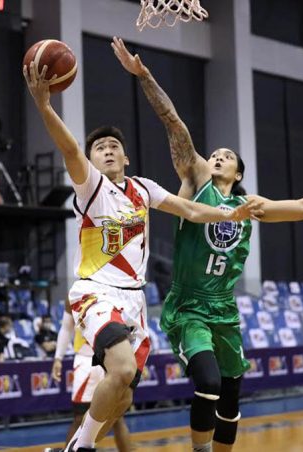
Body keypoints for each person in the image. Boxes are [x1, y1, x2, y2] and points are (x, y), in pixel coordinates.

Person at [111, 36, 303, 452]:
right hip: (189, 305)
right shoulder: (195, 180)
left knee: (230, 395)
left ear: (239, 171)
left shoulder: (250, 204)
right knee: (207, 382)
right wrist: (145, 76)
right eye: (215, 153)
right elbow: (174, 122)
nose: (217, 155)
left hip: (224, 308)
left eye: (226, 155)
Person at [24, 58, 261, 452]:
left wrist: (227, 212)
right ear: (92, 161)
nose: (108, 150)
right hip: (97, 290)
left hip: (134, 299)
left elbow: (189, 210)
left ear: (127, 158)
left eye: (114, 146)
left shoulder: (143, 188)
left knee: (124, 394)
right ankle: (80, 447)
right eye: (99, 148)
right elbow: (68, 148)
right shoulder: (91, 186)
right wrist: (45, 106)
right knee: (121, 368)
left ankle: (75, 446)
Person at [50, 304, 132, 451]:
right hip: (86, 360)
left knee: (116, 416)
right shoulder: (76, 292)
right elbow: (66, 327)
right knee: (79, 417)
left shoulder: (115, 285)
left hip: (111, 359)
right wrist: (58, 358)